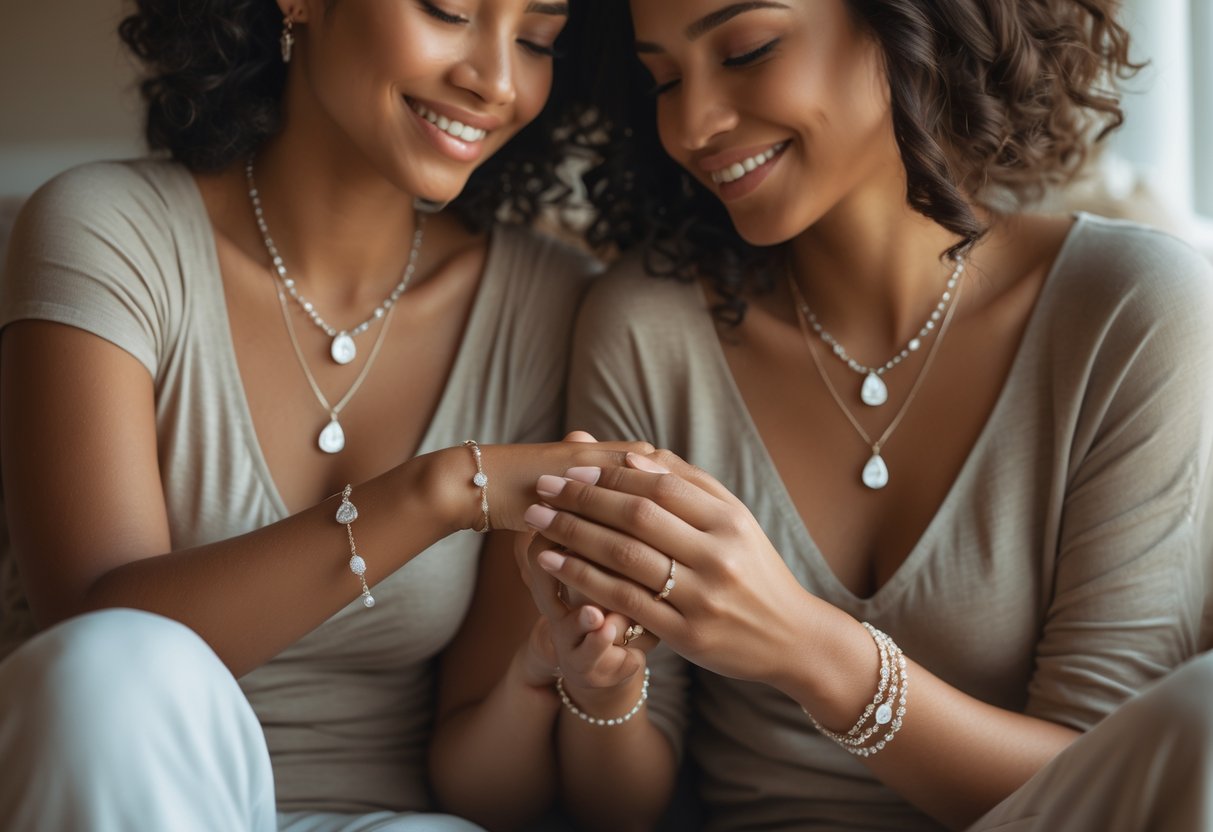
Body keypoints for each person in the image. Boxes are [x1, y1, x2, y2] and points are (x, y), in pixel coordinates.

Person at [517, 0, 1213, 829]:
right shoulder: (647, 330)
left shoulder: (1129, 310)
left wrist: (806, 649)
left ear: (905, 24)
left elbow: (1121, 785)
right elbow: (618, 812)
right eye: (662, 79)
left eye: (746, 51)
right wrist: (604, 689)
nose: (692, 124)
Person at [0, 1, 652, 830]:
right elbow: (99, 653)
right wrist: (441, 491)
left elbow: (489, 795)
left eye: (534, 40)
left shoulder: (544, 304)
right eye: (449, 9)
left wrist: (553, 675)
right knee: (107, 670)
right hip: (126, 797)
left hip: (385, 818)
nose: (496, 81)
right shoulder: (108, 231)